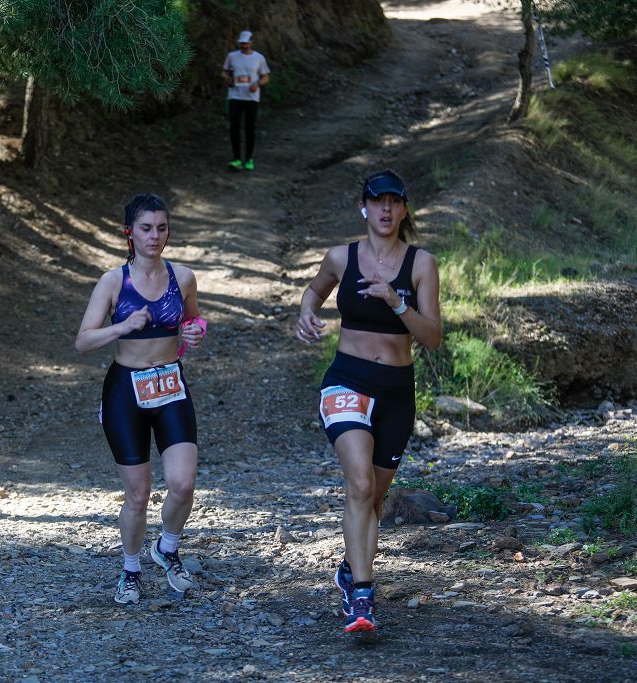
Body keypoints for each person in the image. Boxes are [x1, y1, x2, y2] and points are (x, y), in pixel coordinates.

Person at [296, 170, 441, 632]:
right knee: (359, 484)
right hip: (347, 382)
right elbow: (315, 291)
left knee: (374, 496)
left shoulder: (421, 264)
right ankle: (362, 596)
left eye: (393, 202)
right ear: (363, 207)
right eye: (376, 201)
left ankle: (349, 568)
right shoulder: (342, 258)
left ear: (403, 209)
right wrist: (305, 314)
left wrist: (397, 302)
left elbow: (433, 338)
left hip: (397, 391)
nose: (384, 210)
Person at [75, 193, 206, 605]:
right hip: (125, 391)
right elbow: (82, 341)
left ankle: (166, 547)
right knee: (138, 494)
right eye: (146, 228)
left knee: (183, 484)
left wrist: (196, 330)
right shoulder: (113, 282)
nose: (155, 236)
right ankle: (130, 569)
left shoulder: (183, 277)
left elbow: (193, 319)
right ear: (129, 233)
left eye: (162, 228)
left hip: (170, 385)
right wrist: (121, 327)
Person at [221, 30, 270, 172]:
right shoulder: (232, 56)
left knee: (250, 128)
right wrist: (227, 78)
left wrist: (258, 84)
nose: (244, 46)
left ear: (251, 42)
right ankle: (236, 158)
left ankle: (249, 158)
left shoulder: (259, 58)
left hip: (251, 97)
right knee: (234, 127)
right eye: (242, 43)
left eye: (247, 43)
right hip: (235, 95)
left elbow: (266, 76)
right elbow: (223, 71)